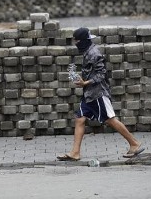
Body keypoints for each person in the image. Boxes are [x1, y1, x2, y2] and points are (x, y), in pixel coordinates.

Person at [57, 27, 145, 161]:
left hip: (98, 94)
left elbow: (102, 74)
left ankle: (134, 144)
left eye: (77, 41)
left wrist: (86, 83)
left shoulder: (94, 53)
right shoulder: (87, 52)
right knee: (80, 119)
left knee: (110, 119)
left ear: (83, 41)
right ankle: (75, 153)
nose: (75, 43)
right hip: (89, 94)